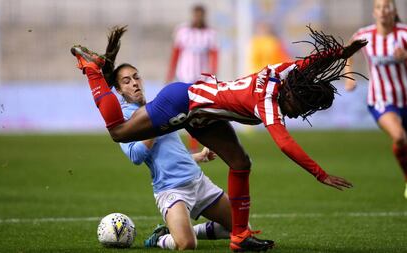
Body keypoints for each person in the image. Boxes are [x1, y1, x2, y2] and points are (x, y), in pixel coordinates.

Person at [71, 26, 366, 252]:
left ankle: (239, 237)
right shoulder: (266, 101)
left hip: (204, 116)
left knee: (240, 162)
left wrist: (342, 53)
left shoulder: (284, 71)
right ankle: (94, 71)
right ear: (288, 94)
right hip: (182, 102)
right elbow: (285, 143)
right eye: (295, 107)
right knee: (118, 132)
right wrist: (320, 174)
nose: (293, 113)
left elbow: (311, 63)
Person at [104, 27, 235, 250]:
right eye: (126, 81)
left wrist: (199, 156)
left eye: (136, 77)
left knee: (241, 229)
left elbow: (171, 153)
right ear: (119, 91)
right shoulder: (125, 121)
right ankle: (162, 239)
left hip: (198, 181)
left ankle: (183, 230)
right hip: (171, 189)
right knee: (186, 245)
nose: (134, 83)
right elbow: (136, 156)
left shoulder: (157, 107)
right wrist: (155, 125)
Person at [344, 0, 407, 199]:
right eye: (379, 7)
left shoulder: (404, 34)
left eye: (386, 7)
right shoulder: (364, 35)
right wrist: (349, 75)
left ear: (393, 11)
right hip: (381, 100)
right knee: (399, 137)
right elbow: (348, 53)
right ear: (374, 12)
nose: (382, 11)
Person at [166, 4, 219, 152]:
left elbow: (214, 54)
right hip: (184, 76)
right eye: (196, 15)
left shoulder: (210, 33)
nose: (198, 18)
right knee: (187, 111)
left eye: (200, 15)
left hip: (201, 78)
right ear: (192, 15)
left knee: (201, 111)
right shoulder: (182, 30)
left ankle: (201, 143)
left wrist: (213, 73)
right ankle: (190, 145)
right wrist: (170, 73)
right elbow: (176, 52)